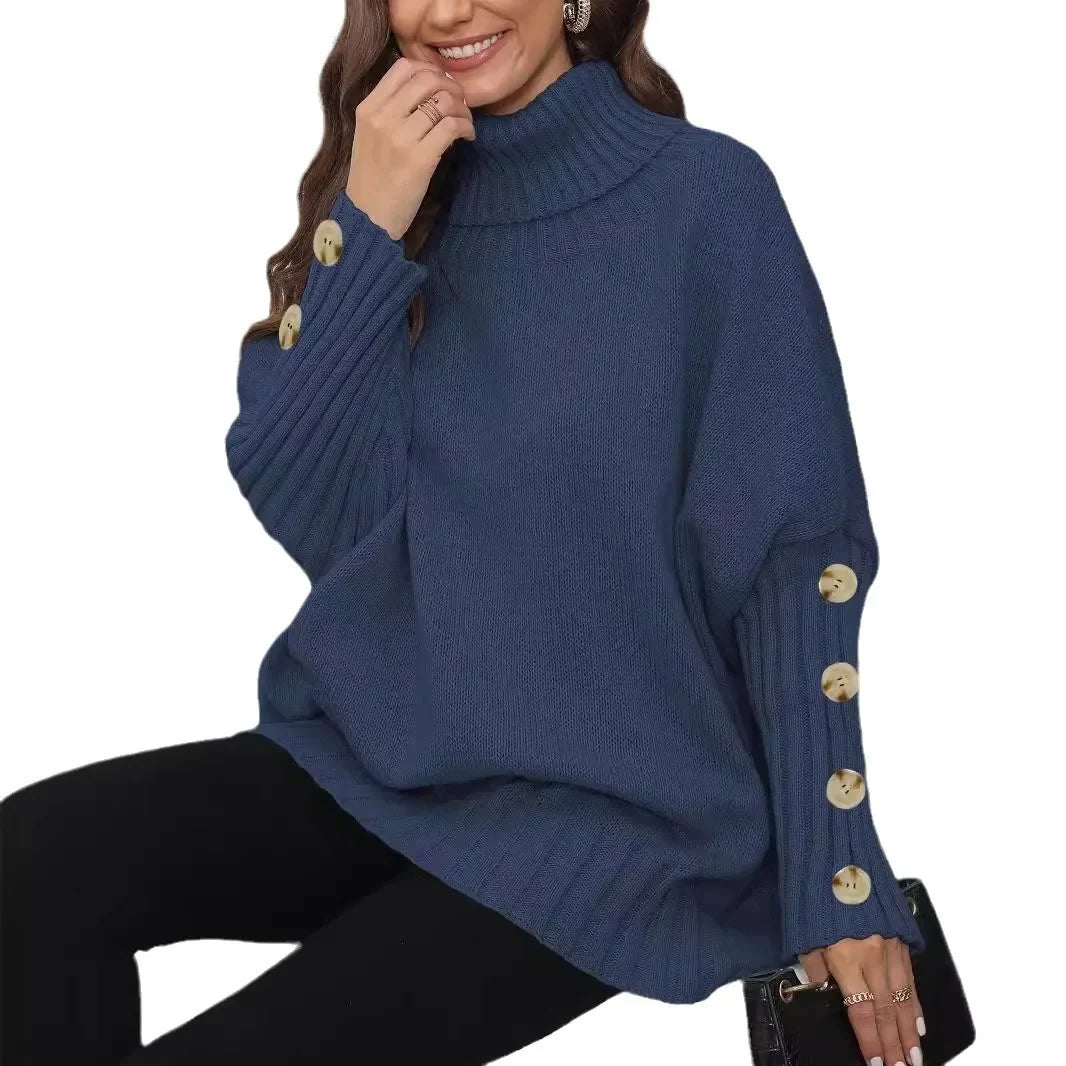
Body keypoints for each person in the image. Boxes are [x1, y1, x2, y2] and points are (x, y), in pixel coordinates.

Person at [0, 3, 929, 1065]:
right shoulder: (398, 198)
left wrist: (837, 871)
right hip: (384, 761)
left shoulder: (705, 199)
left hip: (621, 817)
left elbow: (792, 559)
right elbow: (312, 506)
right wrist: (366, 221)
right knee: (31, 861)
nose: (445, 10)